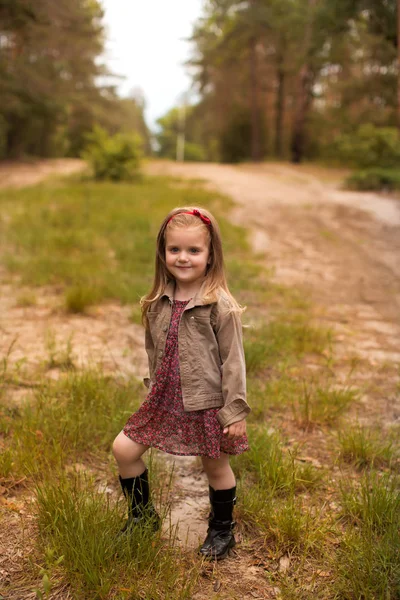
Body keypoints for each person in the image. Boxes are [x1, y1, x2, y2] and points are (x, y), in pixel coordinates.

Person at [112, 206, 250, 560]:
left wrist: (234, 411)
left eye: (193, 250)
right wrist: (152, 387)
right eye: (175, 250)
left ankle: (222, 531)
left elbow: (233, 362)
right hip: (163, 398)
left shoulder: (220, 306)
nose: (183, 257)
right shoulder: (157, 302)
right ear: (163, 253)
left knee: (215, 467)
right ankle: (143, 518)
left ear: (210, 255)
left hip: (207, 404)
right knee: (124, 450)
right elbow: (152, 349)